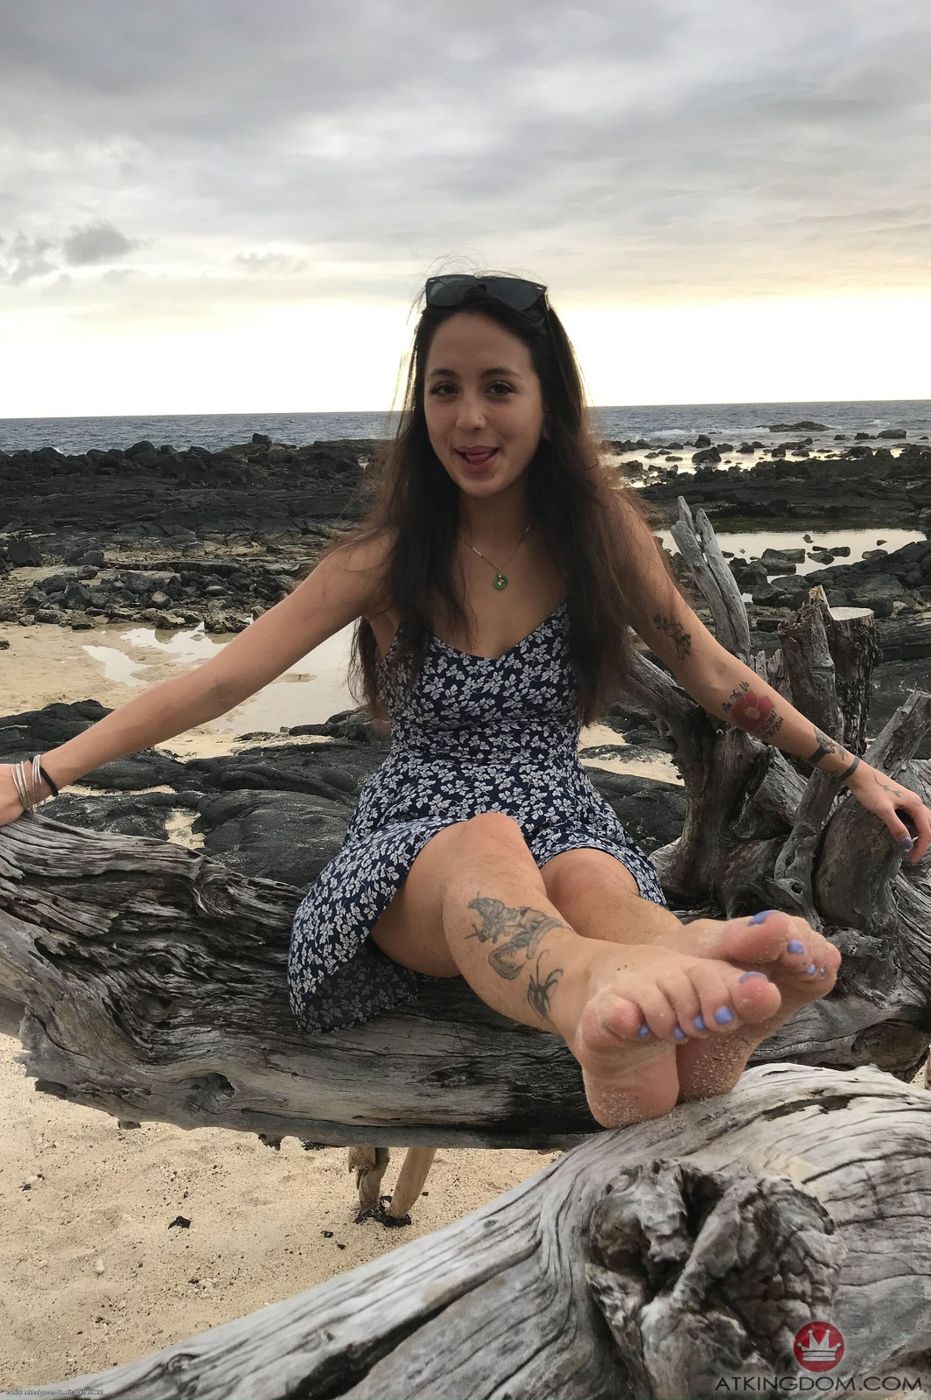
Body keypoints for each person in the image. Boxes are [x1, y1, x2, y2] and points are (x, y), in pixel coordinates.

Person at [3, 272, 929, 1131]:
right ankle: (598, 995)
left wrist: (853, 773)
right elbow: (216, 682)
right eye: (444, 389)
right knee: (487, 846)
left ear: (547, 404)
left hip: (564, 814)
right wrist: (35, 776)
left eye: (497, 387)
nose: (469, 417)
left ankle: (692, 976)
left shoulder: (598, 538)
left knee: (595, 881)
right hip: (420, 837)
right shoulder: (383, 559)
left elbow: (715, 674)